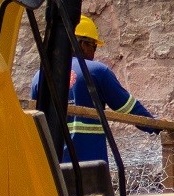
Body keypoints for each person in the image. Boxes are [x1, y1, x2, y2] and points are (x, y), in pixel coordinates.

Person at [29, 15, 154, 165]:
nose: (94, 53)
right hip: (90, 166)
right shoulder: (96, 72)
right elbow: (128, 108)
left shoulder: (40, 76)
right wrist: (157, 127)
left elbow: (36, 122)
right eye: (93, 46)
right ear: (82, 44)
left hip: (54, 170)